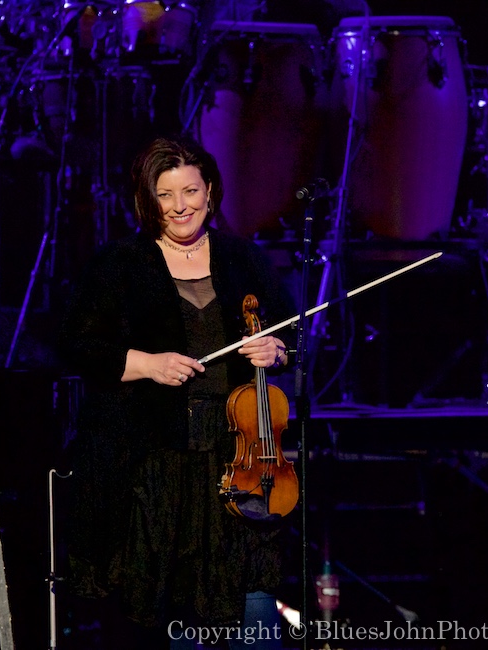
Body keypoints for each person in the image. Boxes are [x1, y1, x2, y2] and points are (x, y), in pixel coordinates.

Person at [57, 135, 297, 649]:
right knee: (175, 605)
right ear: (148, 200)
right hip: (156, 464)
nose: (181, 206)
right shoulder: (121, 262)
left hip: (237, 456)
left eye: (190, 191)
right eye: (166, 195)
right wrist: (146, 363)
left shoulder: (242, 259)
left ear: (210, 191)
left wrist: (276, 351)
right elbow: (75, 344)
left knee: (253, 599)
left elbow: (289, 335)